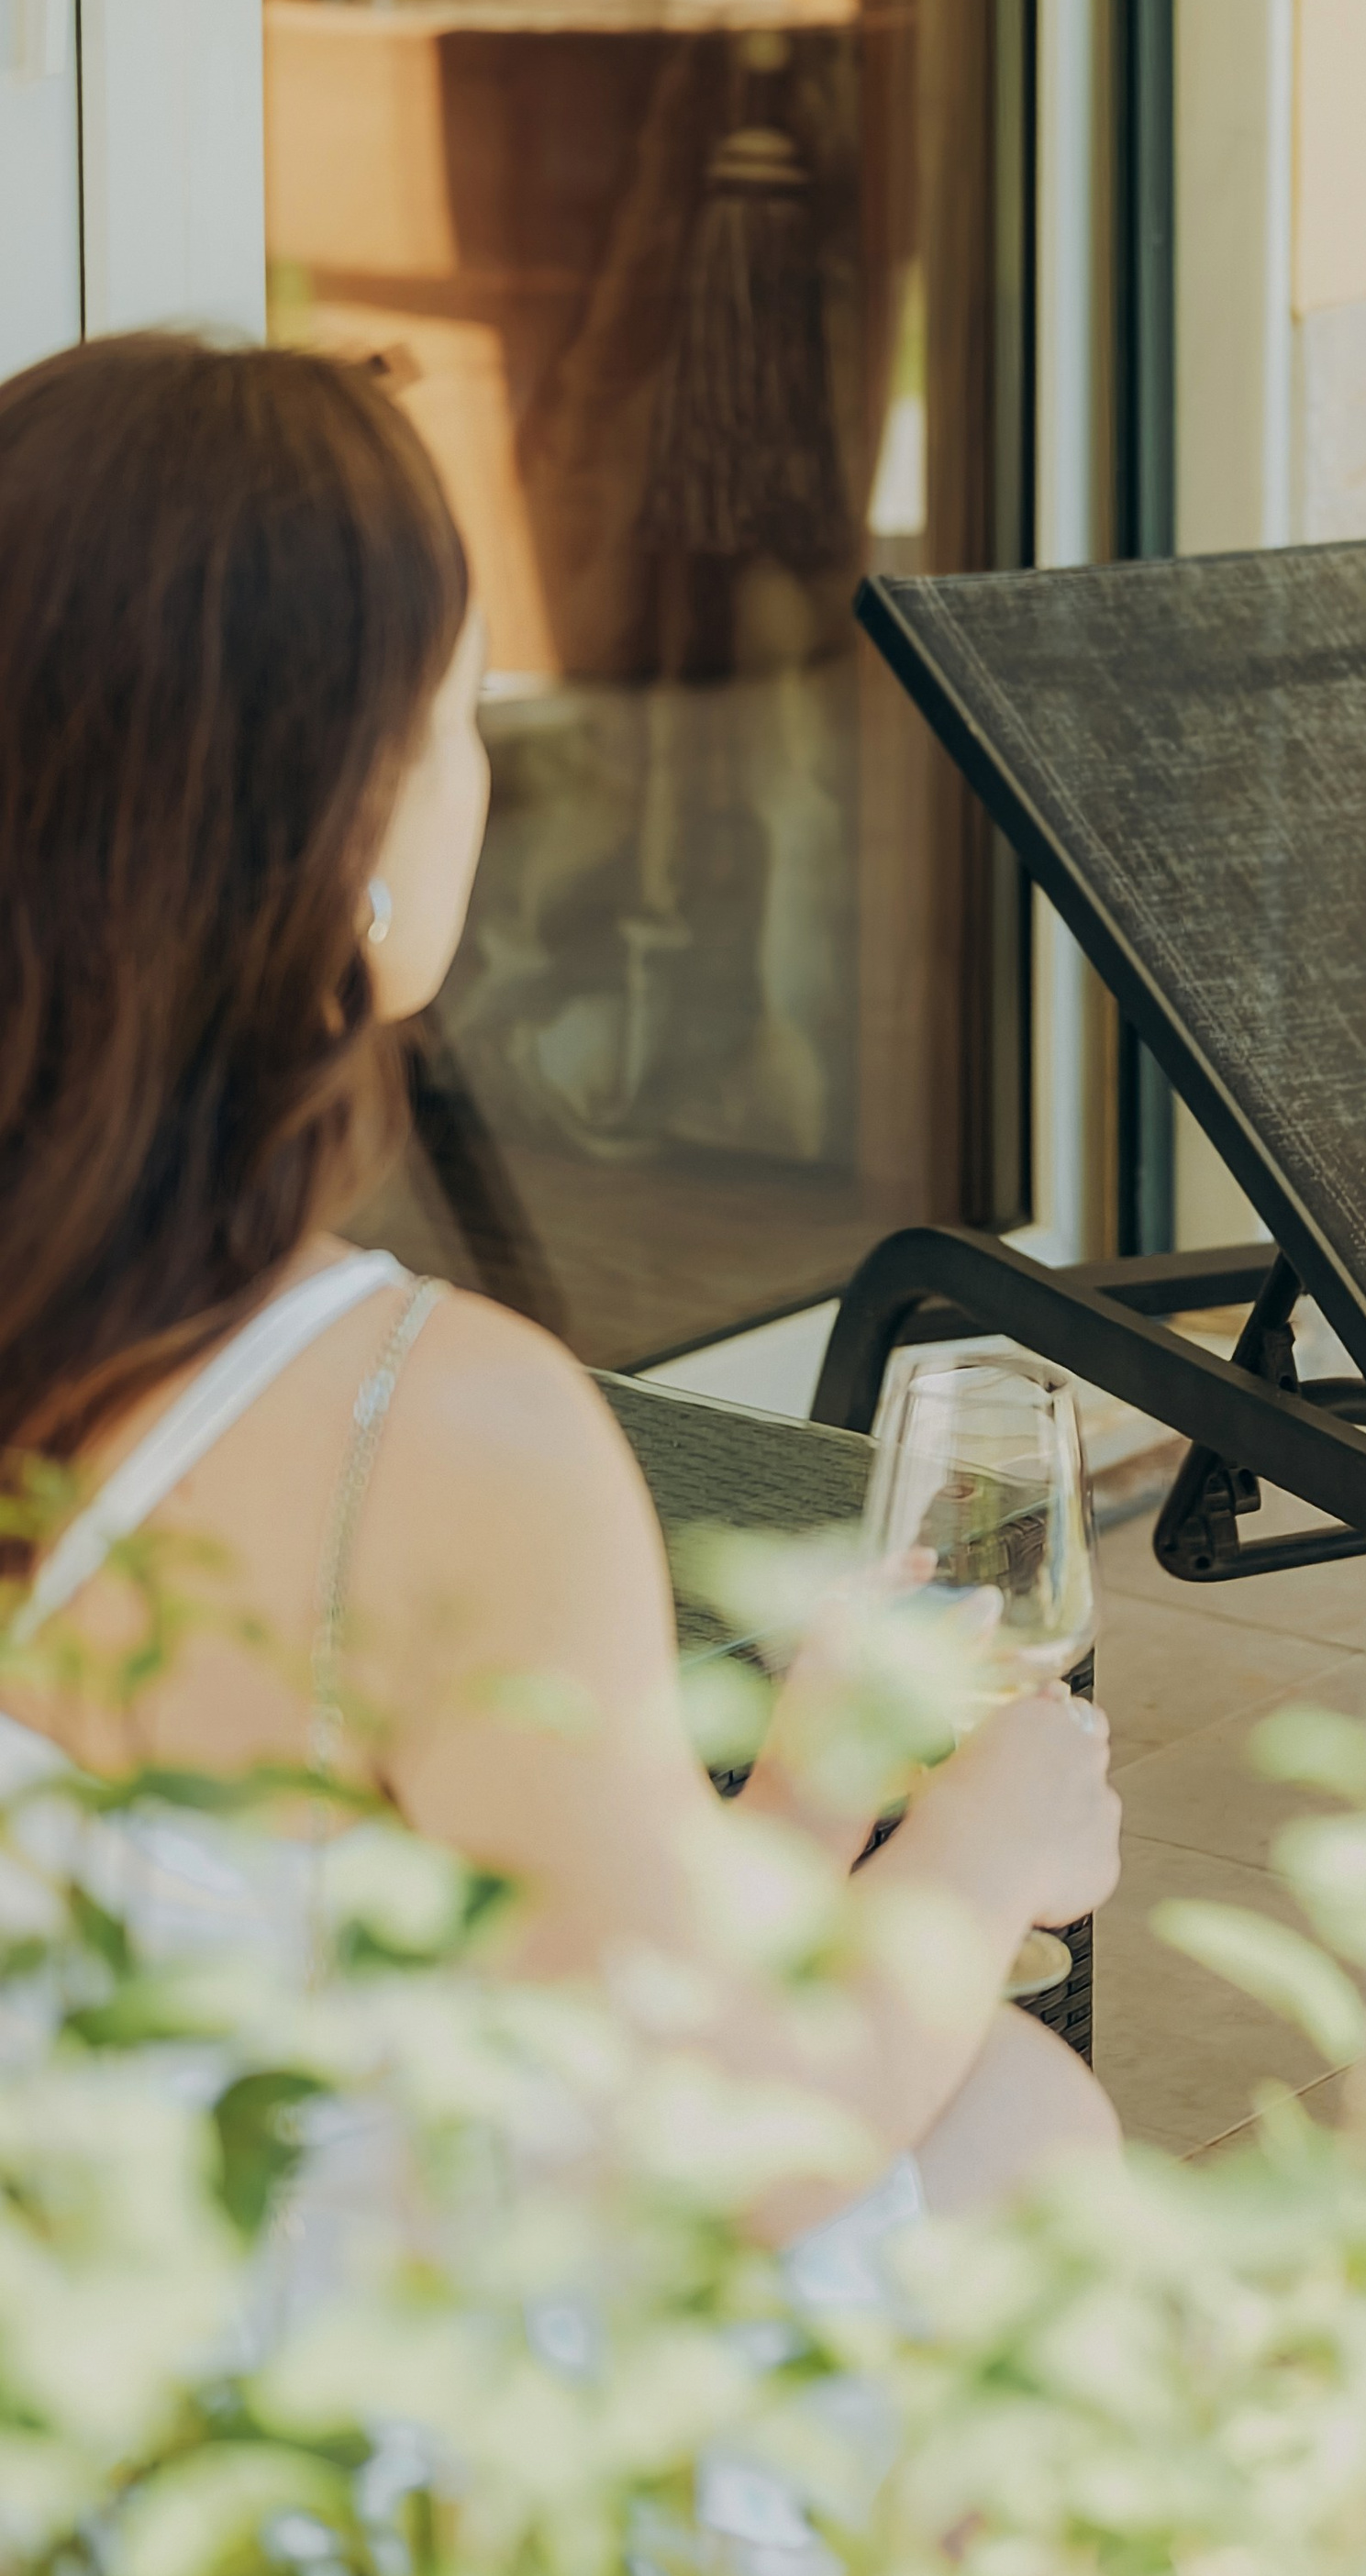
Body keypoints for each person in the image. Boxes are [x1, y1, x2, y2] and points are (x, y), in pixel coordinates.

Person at [0, 330, 1119, 2248]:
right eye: (453, 711)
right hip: (309, 2438)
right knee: (1026, 2124)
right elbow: (717, 2156)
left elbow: (564, 1975)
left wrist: (807, 1781)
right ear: (344, 818)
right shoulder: (422, 1429)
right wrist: (975, 1851)